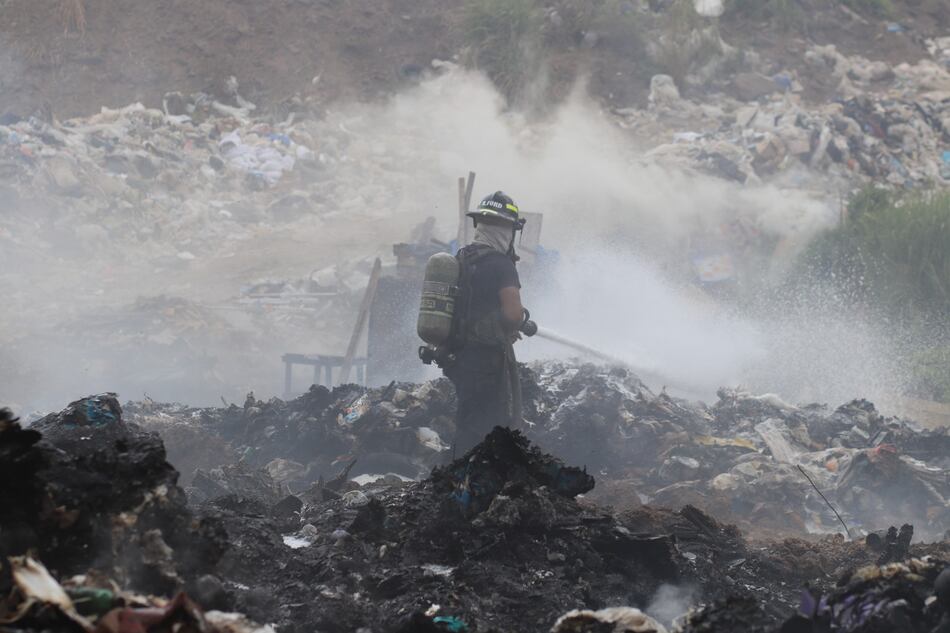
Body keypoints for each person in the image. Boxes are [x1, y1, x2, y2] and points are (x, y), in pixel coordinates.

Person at [443, 191, 537, 453]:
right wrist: (516, 322)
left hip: (458, 356)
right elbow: (513, 314)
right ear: (507, 231)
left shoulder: (462, 257)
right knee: (489, 425)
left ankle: (456, 476)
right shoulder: (501, 264)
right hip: (486, 360)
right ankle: (472, 480)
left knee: (468, 418)